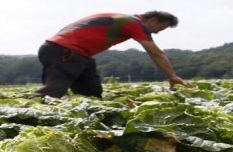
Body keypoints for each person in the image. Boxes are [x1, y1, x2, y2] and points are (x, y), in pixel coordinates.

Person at [33, 11, 193, 98]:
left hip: (76, 53)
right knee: (54, 90)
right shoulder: (133, 23)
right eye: (161, 28)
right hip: (63, 50)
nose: (157, 32)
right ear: (153, 19)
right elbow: (155, 52)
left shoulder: (123, 19)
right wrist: (172, 76)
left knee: (91, 91)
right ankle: (23, 115)